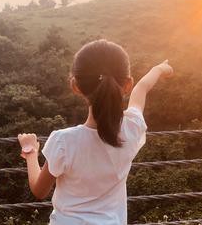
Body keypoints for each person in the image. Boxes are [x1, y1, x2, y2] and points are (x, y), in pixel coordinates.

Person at [18, 39, 173, 224]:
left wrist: (30, 152)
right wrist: (160, 69)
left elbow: (39, 190)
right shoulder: (132, 128)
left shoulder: (63, 141)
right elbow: (142, 88)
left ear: (75, 86)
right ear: (127, 84)